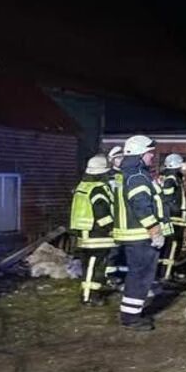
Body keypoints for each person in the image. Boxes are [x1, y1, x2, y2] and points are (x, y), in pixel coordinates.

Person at [112, 135, 165, 331]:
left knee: (137, 275)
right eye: (149, 153)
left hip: (134, 235)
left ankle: (130, 314)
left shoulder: (129, 175)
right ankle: (131, 318)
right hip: (140, 235)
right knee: (141, 276)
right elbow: (141, 206)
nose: (152, 156)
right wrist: (154, 230)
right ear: (139, 155)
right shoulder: (137, 177)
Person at [70, 155, 116, 306]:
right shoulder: (97, 189)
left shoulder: (83, 186)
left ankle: (90, 294)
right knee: (94, 265)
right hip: (97, 234)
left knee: (89, 265)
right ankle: (89, 297)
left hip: (85, 232)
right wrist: (112, 228)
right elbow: (102, 212)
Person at [158, 153, 186, 282]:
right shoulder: (171, 179)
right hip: (173, 219)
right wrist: (173, 213)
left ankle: (169, 272)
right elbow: (167, 200)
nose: (184, 166)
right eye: (182, 163)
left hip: (177, 219)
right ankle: (165, 275)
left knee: (174, 247)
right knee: (171, 246)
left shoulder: (175, 178)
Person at [104, 145, 128, 288]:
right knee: (113, 249)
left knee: (124, 249)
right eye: (118, 158)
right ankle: (110, 276)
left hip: (125, 219)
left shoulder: (128, 175)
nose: (121, 160)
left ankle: (123, 276)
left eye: (122, 157)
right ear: (112, 160)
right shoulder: (108, 177)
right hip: (113, 218)